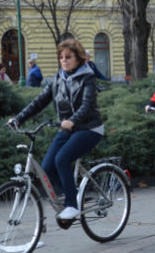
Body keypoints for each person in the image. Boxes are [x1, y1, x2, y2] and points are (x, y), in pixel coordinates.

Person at [9, 39, 103, 220]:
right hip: (67, 129)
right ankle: (75, 193)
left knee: (62, 159)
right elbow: (39, 102)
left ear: (78, 58)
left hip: (89, 127)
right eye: (61, 57)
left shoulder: (88, 77)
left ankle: (72, 205)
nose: (64, 60)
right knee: (47, 167)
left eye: (68, 57)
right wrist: (19, 119)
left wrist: (73, 120)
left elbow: (88, 104)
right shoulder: (57, 79)